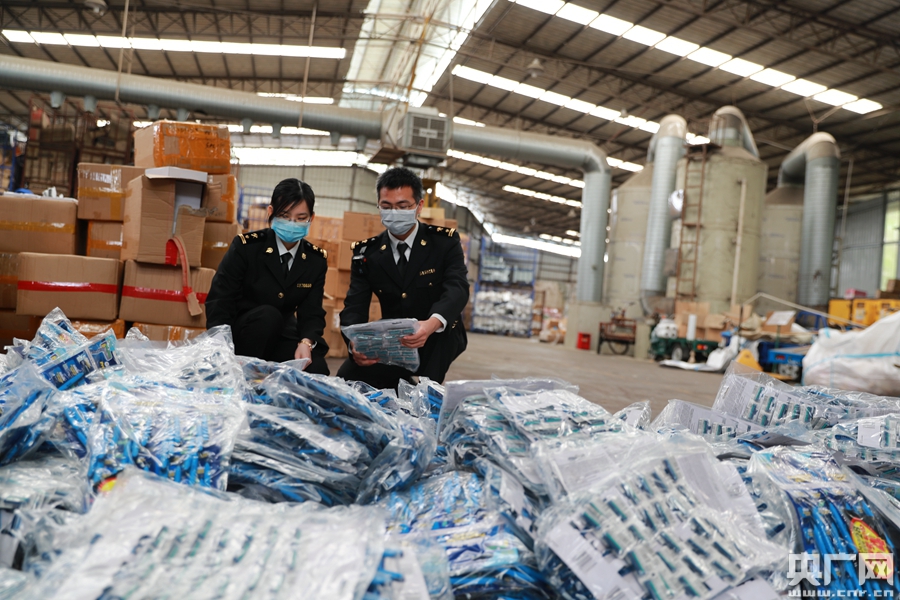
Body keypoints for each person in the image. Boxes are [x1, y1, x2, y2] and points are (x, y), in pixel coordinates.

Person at [337, 167, 469, 389]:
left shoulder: (443, 243)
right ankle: (399, 382)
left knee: (426, 388)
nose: (394, 212)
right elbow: (355, 306)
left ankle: (426, 390)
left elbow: (457, 289)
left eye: (403, 206)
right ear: (378, 205)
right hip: (394, 338)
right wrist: (354, 345)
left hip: (436, 333)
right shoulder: (367, 253)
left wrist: (431, 324)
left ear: (419, 206)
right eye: (387, 206)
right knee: (349, 377)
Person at [206, 178, 330, 374]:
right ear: (271, 212)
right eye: (285, 216)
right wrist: (221, 346)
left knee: (317, 369)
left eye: (300, 218)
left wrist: (306, 342)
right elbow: (221, 298)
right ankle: (246, 376)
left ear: (311, 218)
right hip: (243, 335)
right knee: (268, 316)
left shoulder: (315, 260)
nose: (292, 223)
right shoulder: (247, 248)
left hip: (281, 336)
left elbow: (312, 312)